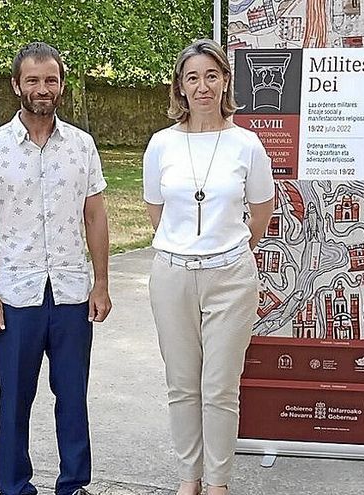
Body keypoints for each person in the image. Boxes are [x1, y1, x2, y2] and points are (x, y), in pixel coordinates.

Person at [0, 41, 111, 495]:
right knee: (15, 399)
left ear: (61, 86)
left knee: (72, 397)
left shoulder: (82, 147)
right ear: (17, 86)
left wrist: (102, 283)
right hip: (16, 294)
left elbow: (95, 215)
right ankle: (14, 486)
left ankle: (73, 484)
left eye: (50, 80)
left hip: (70, 291)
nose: (42, 88)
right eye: (32, 80)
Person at [142, 39, 275, 495]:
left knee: (219, 387)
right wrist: (186, 247)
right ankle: (189, 477)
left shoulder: (247, 144)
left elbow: (260, 211)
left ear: (225, 83)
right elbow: (156, 209)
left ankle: (217, 481)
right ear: (180, 86)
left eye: (211, 76)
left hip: (230, 278)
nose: (202, 86)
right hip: (173, 276)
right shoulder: (161, 144)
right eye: (192, 77)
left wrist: (223, 248)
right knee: (182, 385)